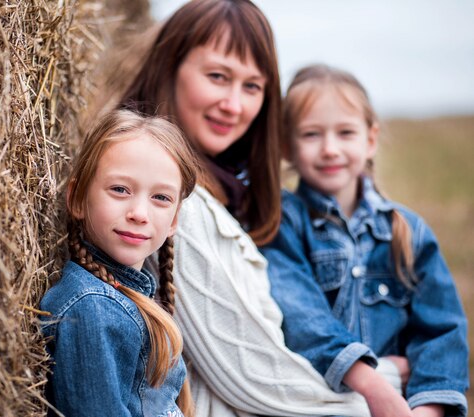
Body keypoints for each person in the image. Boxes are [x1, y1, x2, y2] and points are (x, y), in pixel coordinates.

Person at [117, 1, 371, 415]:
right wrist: (384, 389)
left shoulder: (230, 192)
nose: (234, 105)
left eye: (252, 87)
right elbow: (254, 378)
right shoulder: (176, 201)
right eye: (218, 77)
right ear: (170, 67)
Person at [260, 64, 469, 417]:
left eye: (345, 132)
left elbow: (442, 330)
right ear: (286, 146)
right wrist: (371, 382)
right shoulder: (282, 224)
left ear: (370, 140)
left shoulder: (407, 231)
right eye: (311, 134)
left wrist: (428, 408)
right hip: (320, 405)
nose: (330, 149)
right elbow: (303, 318)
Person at [39, 109, 199, 417]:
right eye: (120, 190)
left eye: (161, 198)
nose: (139, 212)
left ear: (174, 220)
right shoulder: (90, 308)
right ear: (77, 199)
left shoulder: (123, 299)